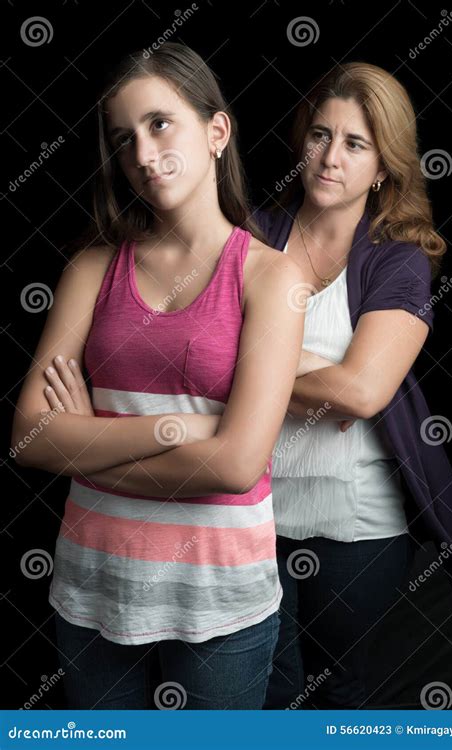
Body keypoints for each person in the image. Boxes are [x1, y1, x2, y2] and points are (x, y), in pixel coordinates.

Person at [11, 43, 308, 710]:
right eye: (125, 139)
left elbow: (236, 466)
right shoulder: (92, 270)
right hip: (94, 588)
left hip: (221, 599)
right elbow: (31, 436)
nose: (143, 155)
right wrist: (180, 428)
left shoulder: (272, 278)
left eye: (160, 124)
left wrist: (86, 448)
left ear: (217, 131)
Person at [254, 62, 452, 709]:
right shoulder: (253, 236)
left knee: (334, 692)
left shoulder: (397, 257)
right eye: (321, 135)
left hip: (352, 528)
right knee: (265, 687)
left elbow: (362, 392)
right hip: (248, 516)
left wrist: (258, 367)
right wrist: (315, 381)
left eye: (355, 144)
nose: (330, 158)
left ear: (383, 166)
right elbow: (197, 357)